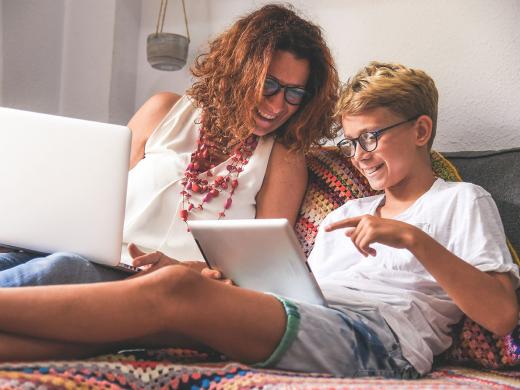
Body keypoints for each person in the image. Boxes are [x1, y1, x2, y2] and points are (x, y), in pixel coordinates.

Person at [0, 62, 517, 379]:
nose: (358, 155)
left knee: (178, 293)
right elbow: (296, 291)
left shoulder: (462, 200)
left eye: (372, 137)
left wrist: (412, 238)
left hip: (380, 340)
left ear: (421, 129)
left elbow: (500, 315)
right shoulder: (347, 212)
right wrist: (220, 280)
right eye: (350, 141)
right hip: (311, 314)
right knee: (158, 304)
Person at [0, 4, 339, 287]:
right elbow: (93, 203)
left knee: (59, 272)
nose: (278, 105)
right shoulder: (163, 110)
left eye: (295, 93)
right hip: (93, 258)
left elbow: (264, 275)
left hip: (164, 285)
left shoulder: (281, 159)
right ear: (239, 72)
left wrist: (186, 271)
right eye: (269, 85)